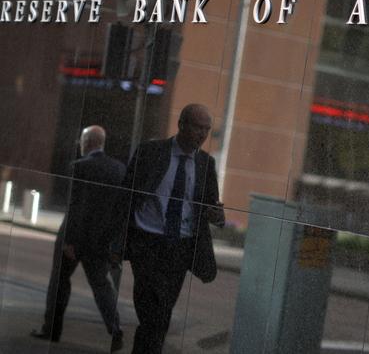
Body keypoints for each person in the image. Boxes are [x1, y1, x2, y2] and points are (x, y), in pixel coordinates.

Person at [113, 104, 225, 354]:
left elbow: (211, 206)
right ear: (182, 125)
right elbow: (125, 197)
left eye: (207, 129)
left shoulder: (206, 163)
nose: (202, 134)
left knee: (161, 312)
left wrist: (217, 216)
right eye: (198, 127)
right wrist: (116, 240)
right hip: (148, 241)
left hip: (180, 246)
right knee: (151, 309)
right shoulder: (151, 152)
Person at [30, 126, 125, 352]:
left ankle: (51, 329)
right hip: (100, 241)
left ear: (88, 142)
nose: (80, 145)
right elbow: (120, 211)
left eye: (82, 141)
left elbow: (75, 206)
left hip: (74, 237)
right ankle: (116, 330)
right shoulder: (119, 169)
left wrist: (69, 241)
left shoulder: (80, 167)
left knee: (59, 283)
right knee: (102, 286)